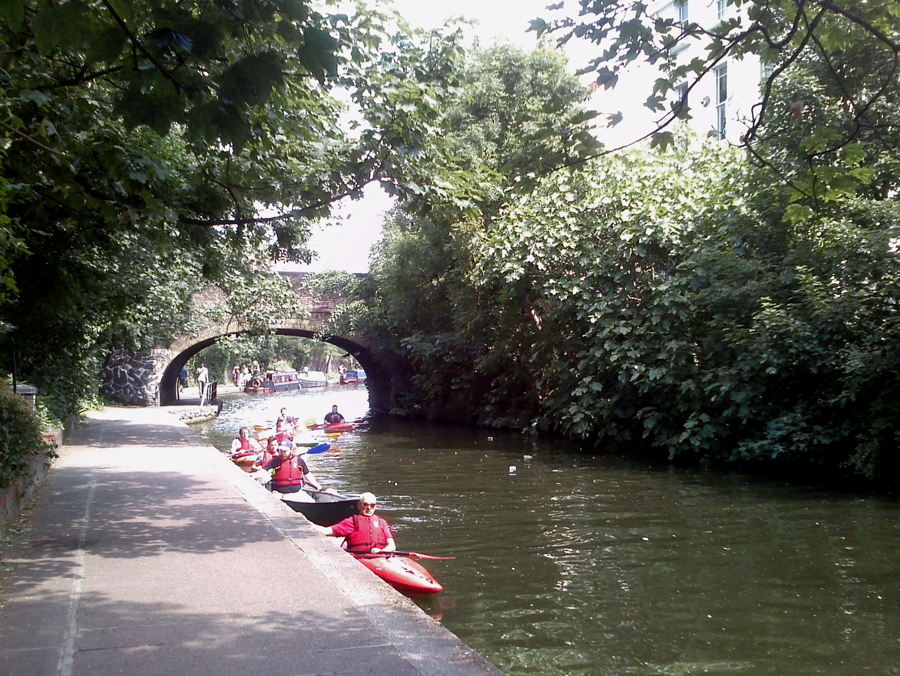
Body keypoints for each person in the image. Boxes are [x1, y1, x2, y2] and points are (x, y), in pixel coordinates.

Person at [315, 493, 396, 554]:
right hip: (360, 556)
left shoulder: (382, 522)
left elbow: (392, 546)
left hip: (381, 556)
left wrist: (382, 551)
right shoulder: (352, 522)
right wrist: (308, 525)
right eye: (365, 504)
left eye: (372, 505)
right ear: (359, 505)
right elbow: (325, 531)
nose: (369, 508)